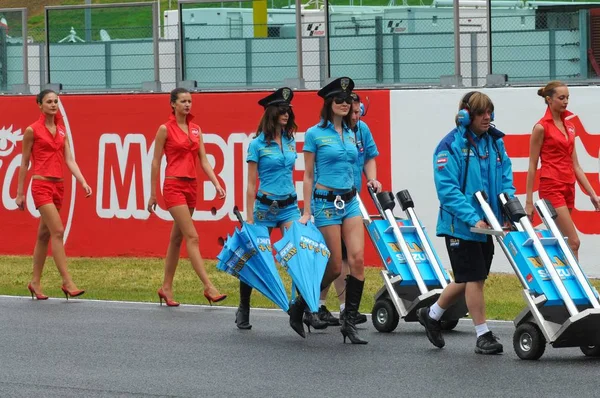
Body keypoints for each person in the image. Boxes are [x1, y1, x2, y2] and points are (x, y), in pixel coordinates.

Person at [417, 91, 515, 355]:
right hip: (460, 225)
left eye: (490, 112)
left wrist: (509, 211)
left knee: (469, 277)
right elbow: (448, 191)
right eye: (481, 113)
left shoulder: (495, 143)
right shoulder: (449, 146)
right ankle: (483, 335)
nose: (487, 117)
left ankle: (432, 314)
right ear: (465, 115)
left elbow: (506, 179)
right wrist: (474, 218)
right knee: (474, 279)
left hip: (487, 225)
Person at [236, 87, 324, 331]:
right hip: (265, 208)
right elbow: (251, 183)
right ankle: (244, 307)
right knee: (255, 258)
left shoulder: (289, 139)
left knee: (299, 255)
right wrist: (250, 218)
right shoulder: (256, 145)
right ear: (272, 112)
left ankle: (304, 309)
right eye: (283, 110)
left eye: (289, 111)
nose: (287, 114)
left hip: (289, 207)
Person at [292, 77, 368, 344]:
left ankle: (349, 321)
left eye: (348, 100)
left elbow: (362, 162)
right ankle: (301, 304)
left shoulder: (353, 132)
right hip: (325, 203)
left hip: (350, 202)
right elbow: (308, 175)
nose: (345, 104)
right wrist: (306, 210)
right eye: (340, 100)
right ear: (329, 103)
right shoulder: (315, 134)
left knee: (357, 260)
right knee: (335, 266)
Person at [147, 87, 227, 307]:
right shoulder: (165, 129)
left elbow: (203, 160)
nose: (187, 104)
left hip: (192, 186)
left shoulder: (196, 129)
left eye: (189, 101)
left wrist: (216, 182)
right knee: (192, 237)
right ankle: (209, 287)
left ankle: (166, 287)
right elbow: (155, 161)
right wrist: (153, 193)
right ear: (173, 104)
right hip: (173, 185)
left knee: (177, 239)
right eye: (183, 101)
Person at [16, 89, 92, 300]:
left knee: (44, 235)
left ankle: (34, 282)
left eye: (55, 101)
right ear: (39, 105)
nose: (53, 104)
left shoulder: (61, 130)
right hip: (41, 185)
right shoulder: (32, 130)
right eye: (49, 101)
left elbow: (69, 159)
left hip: (59, 186)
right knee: (58, 230)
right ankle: (67, 281)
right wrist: (20, 193)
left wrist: (83, 180)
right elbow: (24, 162)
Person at [318, 92, 381, 326]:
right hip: (328, 202)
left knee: (350, 257)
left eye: (358, 112)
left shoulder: (361, 131)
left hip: (351, 200)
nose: (356, 116)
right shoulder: (327, 133)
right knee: (333, 260)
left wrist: (372, 179)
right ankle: (314, 304)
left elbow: (369, 157)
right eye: (352, 112)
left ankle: (345, 309)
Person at [526, 81, 600, 259]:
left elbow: (576, 165)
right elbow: (532, 165)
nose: (566, 101)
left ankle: (563, 282)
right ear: (549, 100)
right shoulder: (541, 127)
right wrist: (529, 202)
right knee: (573, 242)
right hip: (551, 187)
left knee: (564, 240)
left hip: (568, 186)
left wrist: (592, 194)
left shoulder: (570, 126)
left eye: (567, 97)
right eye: (561, 98)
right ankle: (577, 286)